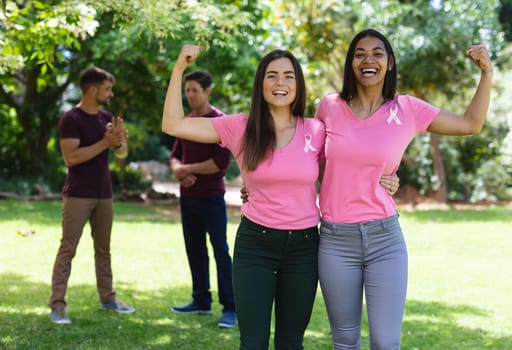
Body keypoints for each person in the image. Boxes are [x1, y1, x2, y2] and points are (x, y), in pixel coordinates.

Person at [315, 29, 493, 349]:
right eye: (360, 53)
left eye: (377, 53)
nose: (368, 59)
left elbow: (470, 124)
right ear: (350, 63)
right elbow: (310, 163)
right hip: (335, 240)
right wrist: (261, 186)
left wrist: (487, 73)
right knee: (344, 341)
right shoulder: (329, 106)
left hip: (384, 240)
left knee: (386, 343)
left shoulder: (407, 109)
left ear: (390, 63)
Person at [163, 44, 326, 349]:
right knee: (253, 342)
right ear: (261, 84)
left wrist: (388, 177)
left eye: (289, 76)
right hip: (256, 246)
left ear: (298, 84)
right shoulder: (240, 126)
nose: (281, 83)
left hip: (304, 249)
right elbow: (173, 124)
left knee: (291, 343)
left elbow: (350, 168)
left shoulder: (316, 130)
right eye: (272, 76)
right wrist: (178, 69)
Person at [48, 66, 135, 324]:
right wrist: (105, 143)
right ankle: (57, 305)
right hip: (78, 195)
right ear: (93, 89)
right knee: (68, 249)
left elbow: (121, 154)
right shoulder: (71, 119)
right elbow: (71, 157)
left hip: (104, 194)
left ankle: (108, 298)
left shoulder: (106, 117)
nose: (111, 93)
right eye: (107, 88)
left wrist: (119, 141)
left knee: (104, 249)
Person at [168, 70, 236, 329]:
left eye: (195, 90)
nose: (190, 95)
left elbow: (220, 163)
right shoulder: (185, 121)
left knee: (220, 251)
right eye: (187, 91)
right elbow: (175, 154)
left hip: (212, 198)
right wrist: (178, 170)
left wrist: (188, 169)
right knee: (194, 249)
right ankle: (201, 301)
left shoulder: (219, 121)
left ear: (207, 91)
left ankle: (230, 307)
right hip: (188, 198)